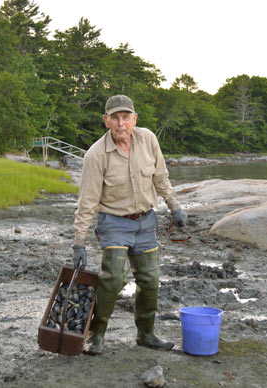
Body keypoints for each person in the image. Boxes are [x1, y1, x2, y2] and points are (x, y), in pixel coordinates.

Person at [72, 94, 187, 355]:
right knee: (113, 278)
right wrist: (78, 243)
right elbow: (87, 202)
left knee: (150, 279)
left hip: (146, 222)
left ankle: (145, 334)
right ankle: (96, 335)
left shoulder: (148, 139)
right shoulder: (95, 155)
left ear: (135, 119)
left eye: (126, 117)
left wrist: (175, 206)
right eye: (115, 117)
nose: (121, 123)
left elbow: (161, 177)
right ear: (106, 121)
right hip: (113, 222)